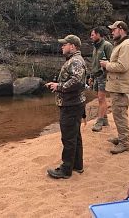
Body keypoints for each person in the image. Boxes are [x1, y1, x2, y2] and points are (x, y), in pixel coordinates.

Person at [46, 35, 86, 179]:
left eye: (65, 44)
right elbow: (75, 80)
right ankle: (77, 165)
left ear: (73, 46)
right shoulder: (74, 60)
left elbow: (76, 81)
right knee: (75, 135)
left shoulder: (75, 61)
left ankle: (65, 170)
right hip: (74, 103)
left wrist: (59, 86)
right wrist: (57, 85)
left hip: (71, 104)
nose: (62, 46)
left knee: (68, 137)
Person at [100, 21, 129, 154]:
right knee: (118, 114)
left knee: (120, 115)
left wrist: (106, 65)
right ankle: (122, 138)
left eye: (114, 30)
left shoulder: (126, 46)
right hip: (117, 86)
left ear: (121, 30)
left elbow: (122, 66)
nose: (112, 32)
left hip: (120, 87)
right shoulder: (122, 44)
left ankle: (124, 143)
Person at [89, 26, 113, 132]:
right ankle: (105, 120)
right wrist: (91, 76)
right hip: (96, 75)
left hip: (104, 76)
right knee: (100, 99)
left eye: (93, 34)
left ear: (99, 34)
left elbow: (112, 61)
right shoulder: (95, 46)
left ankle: (99, 122)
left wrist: (107, 73)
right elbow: (94, 62)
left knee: (101, 99)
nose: (91, 37)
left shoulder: (107, 45)